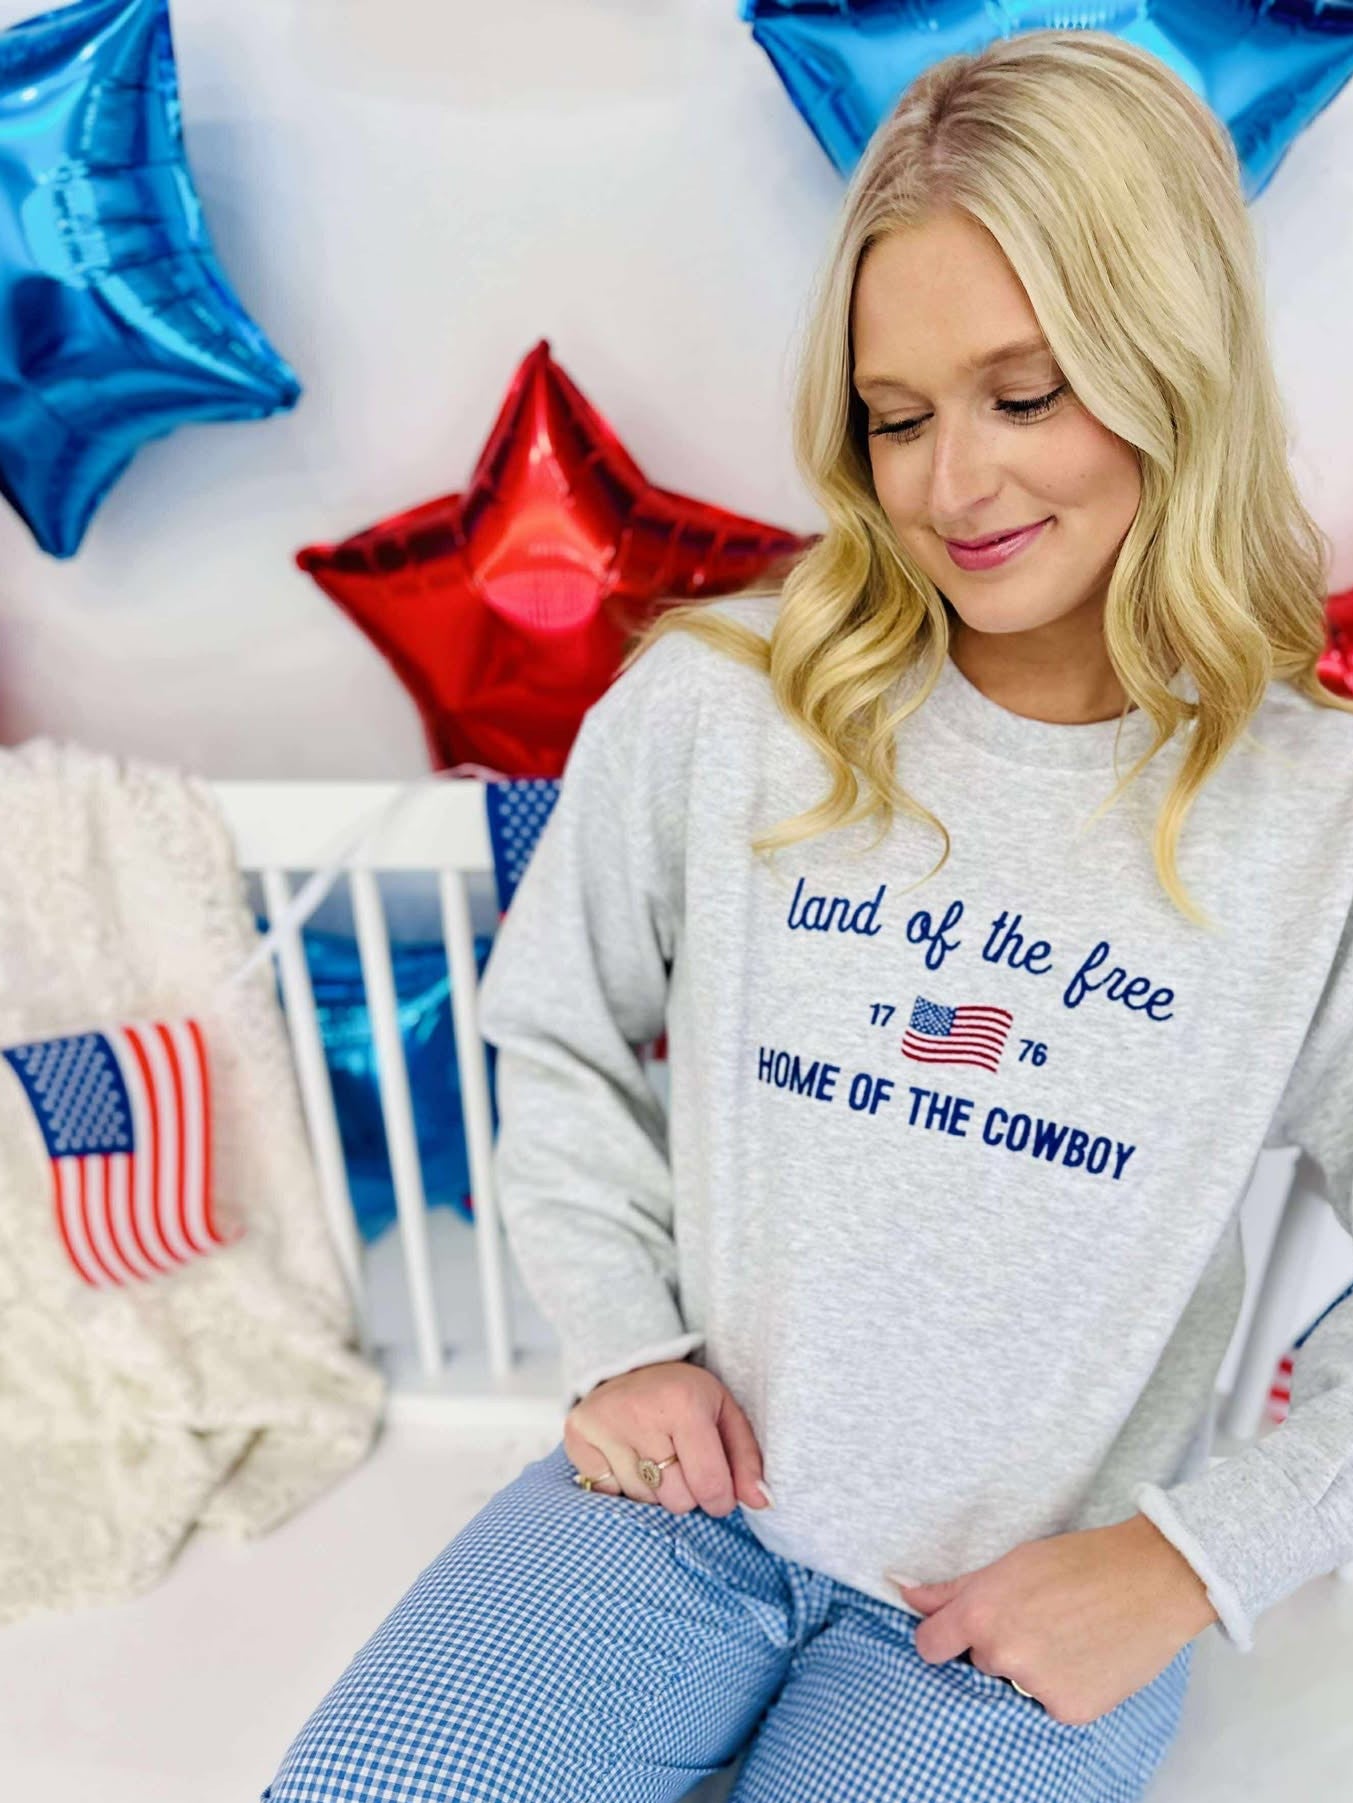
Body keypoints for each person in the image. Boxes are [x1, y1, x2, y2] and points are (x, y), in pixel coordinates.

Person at [261, 30, 1353, 1803]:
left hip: (1017, 1612)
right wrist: (622, 1337)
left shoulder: (1313, 820)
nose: (952, 488)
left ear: (1172, 368)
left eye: (1025, 394)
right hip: (679, 1518)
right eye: (897, 415)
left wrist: (1182, 1564)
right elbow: (546, 1019)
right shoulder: (727, 706)